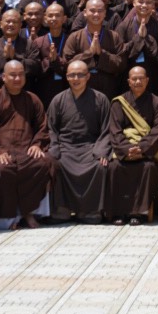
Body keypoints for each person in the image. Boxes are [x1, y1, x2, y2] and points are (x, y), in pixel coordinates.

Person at [0, 60, 52, 230]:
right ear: (3, 77)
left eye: (20, 74)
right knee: (3, 170)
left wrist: (37, 144)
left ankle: (29, 213)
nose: (17, 78)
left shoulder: (32, 99)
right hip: (3, 150)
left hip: (26, 149)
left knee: (44, 163)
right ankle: (8, 218)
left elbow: (43, 125)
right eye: (12, 75)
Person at [46, 60, 113, 222]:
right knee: (57, 165)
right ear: (67, 77)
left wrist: (102, 151)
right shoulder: (58, 100)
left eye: (80, 75)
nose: (76, 78)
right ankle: (62, 209)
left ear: (88, 76)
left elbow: (107, 129)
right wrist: (54, 150)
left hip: (91, 148)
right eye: (72, 75)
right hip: (66, 148)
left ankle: (90, 211)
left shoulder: (100, 99)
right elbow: (51, 129)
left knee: (100, 166)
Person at [108, 64, 158, 225]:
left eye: (141, 78)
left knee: (148, 168)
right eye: (134, 79)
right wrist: (127, 149)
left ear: (147, 80)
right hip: (124, 150)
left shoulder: (156, 102)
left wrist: (142, 148)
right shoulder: (119, 103)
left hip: (146, 151)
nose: (138, 81)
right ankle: (118, 213)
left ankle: (139, 213)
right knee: (114, 167)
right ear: (128, 81)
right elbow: (115, 130)